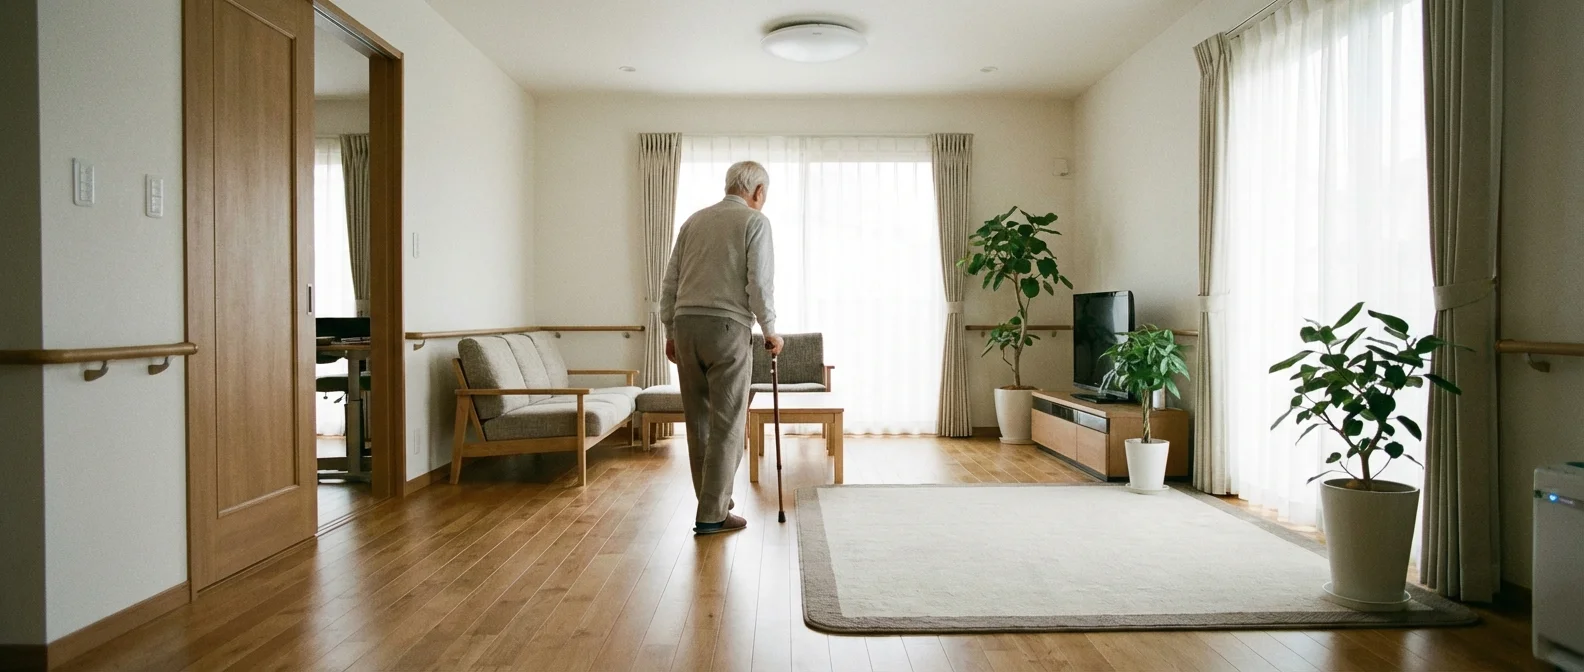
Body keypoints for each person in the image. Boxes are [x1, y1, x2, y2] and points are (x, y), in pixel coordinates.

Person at [660, 160, 784, 535]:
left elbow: (670, 282)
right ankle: (713, 514)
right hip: (727, 328)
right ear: (758, 192)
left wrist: (670, 329)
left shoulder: (693, 221)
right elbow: (759, 284)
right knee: (728, 423)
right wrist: (771, 330)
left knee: (698, 422)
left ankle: (711, 505)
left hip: (685, 326)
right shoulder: (754, 221)